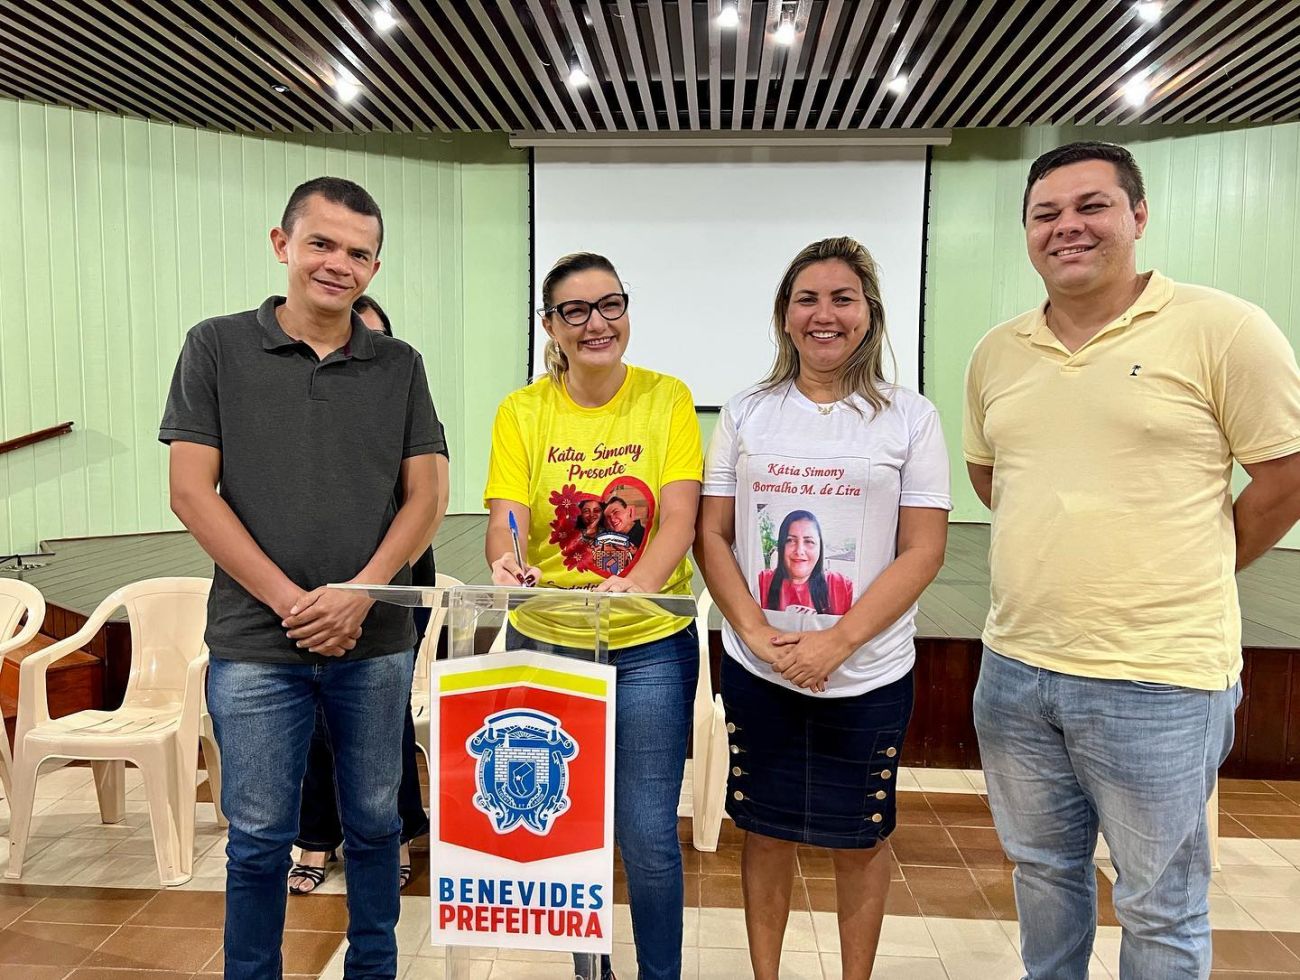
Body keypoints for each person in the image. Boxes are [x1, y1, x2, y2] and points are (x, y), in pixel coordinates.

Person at [964, 141, 1300, 979]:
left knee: (1159, 904)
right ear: (1027, 232)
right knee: (1043, 875)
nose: (1067, 227)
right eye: (1045, 214)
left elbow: (1286, 477)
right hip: (1016, 670)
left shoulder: (1225, 329)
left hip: (1160, 678)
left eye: (1092, 207)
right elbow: (992, 476)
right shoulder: (998, 350)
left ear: (1138, 216)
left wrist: (1196, 563)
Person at [161, 177, 440, 980]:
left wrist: (360, 592)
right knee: (256, 840)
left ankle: (374, 970)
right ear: (282, 244)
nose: (338, 263)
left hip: (373, 642)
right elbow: (191, 492)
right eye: (321, 243)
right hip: (256, 643)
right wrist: (292, 602)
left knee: (378, 827)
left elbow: (426, 497)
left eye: (358, 252)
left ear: (375, 268)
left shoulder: (400, 364)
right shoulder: (215, 346)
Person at [696, 236, 951, 980]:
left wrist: (837, 642)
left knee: (860, 838)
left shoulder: (910, 417)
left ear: (869, 313)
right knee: (764, 831)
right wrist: (753, 631)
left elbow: (923, 550)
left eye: (843, 298)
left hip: (867, 671)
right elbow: (713, 535)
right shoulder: (746, 412)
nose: (824, 314)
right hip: (762, 667)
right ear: (785, 315)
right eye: (807, 299)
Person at [483, 252, 702, 980]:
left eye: (610, 305)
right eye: (574, 311)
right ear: (550, 325)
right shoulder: (522, 411)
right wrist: (507, 562)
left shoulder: (667, 397)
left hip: (648, 644)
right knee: (570, 826)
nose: (596, 323)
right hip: (548, 641)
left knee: (647, 834)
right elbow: (507, 520)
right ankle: (590, 972)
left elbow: (679, 517)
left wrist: (636, 583)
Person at [288, 294, 451, 896]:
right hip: (308, 587)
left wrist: (372, 586)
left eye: (370, 334)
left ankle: (397, 831)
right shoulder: (301, 403)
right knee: (312, 716)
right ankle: (315, 834)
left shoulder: (402, 390)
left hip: (396, 579)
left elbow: (429, 500)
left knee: (385, 715)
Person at [757, 508, 854, 615]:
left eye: (809, 541)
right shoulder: (761, 583)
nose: (799, 551)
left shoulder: (842, 586)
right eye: (790, 540)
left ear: (820, 548)